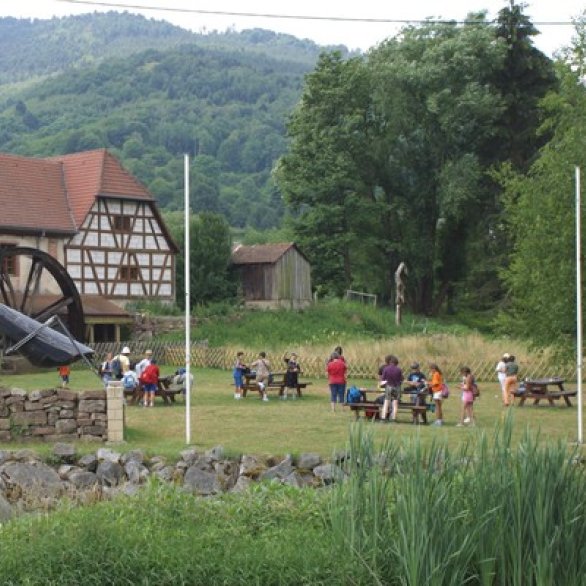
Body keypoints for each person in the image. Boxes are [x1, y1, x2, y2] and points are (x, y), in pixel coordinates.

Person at [380, 355, 403, 422]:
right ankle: (393, 418)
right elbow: (401, 380)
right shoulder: (399, 369)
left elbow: (383, 379)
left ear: (390, 362)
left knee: (386, 402)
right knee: (395, 403)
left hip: (389, 386)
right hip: (396, 387)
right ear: (396, 363)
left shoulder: (386, 369)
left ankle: (383, 418)